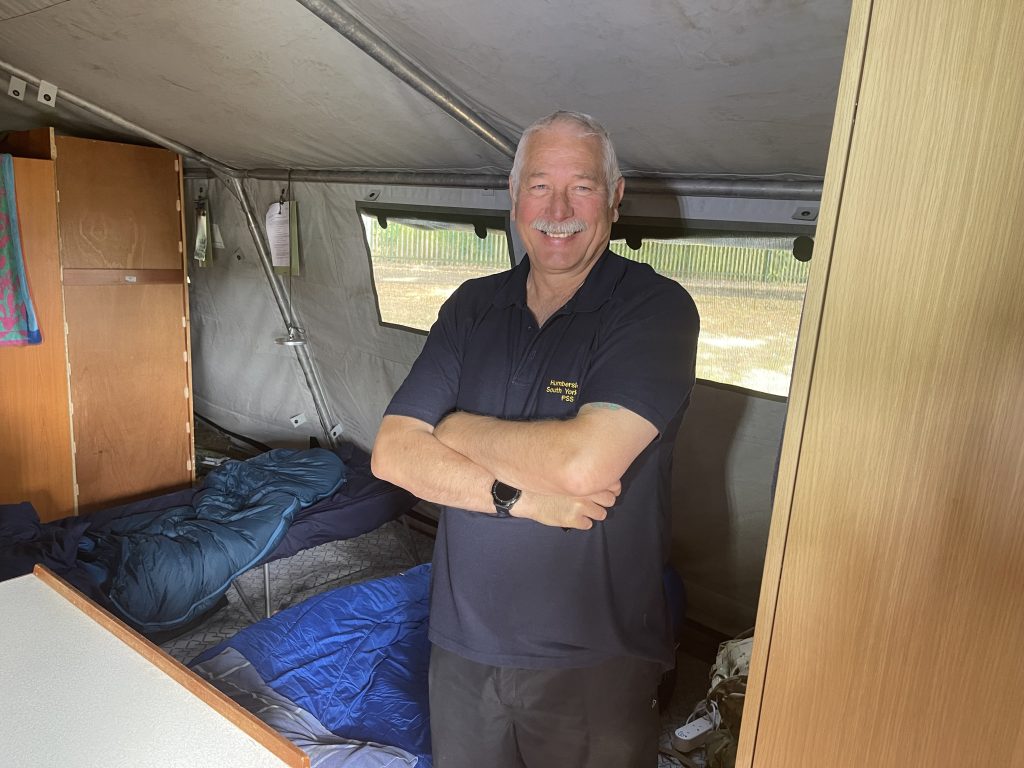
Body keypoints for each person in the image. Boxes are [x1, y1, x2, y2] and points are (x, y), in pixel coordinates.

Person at [372, 110, 699, 767]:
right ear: (514, 194)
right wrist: (522, 499)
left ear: (615, 196)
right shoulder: (472, 306)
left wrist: (454, 427)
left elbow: (582, 465)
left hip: (594, 657)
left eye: (581, 186)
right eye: (539, 186)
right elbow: (393, 454)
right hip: (463, 647)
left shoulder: (654, 308)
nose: (557, 210)